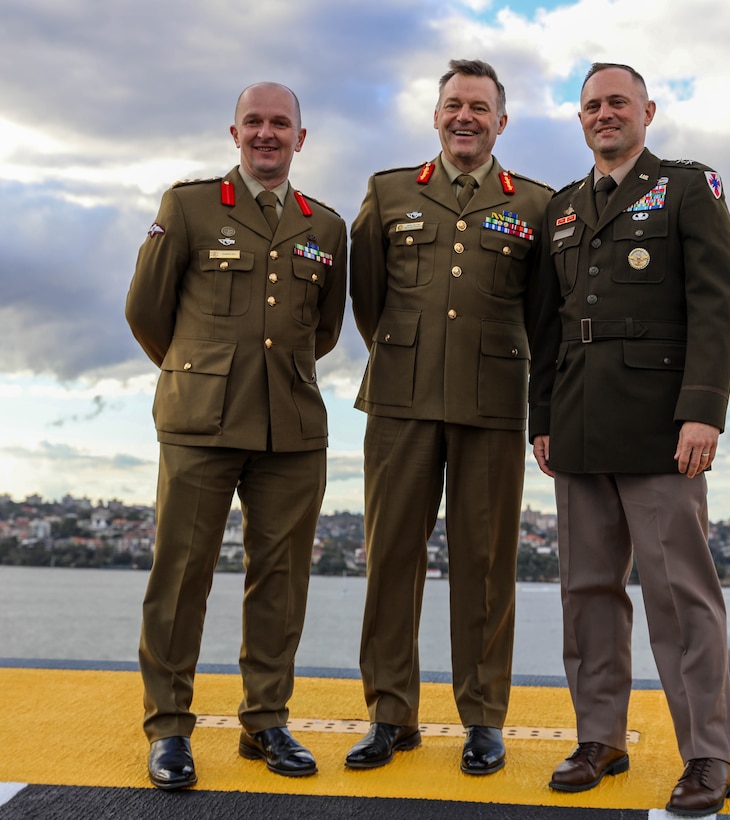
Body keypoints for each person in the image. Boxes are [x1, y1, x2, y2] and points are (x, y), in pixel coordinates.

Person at [528, 63, 730, 817]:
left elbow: (716, 302)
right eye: (591, 106)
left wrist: (703, 410)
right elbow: (548, 326)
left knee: (680, 597)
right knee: (587, 592)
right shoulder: (560, 209)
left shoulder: (687, 187)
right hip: (580, 426)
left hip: (661, 429)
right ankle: (600, 739)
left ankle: (708, 755)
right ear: (578, 119)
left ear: (647, 110)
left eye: (617, 102)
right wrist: (542, 417)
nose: (604, 114)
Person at [125, 82, 347, 790]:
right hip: (200, 424)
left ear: (300, 138)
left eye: (280, 123)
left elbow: (326, 331)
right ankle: (168, 728)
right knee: (181, 576)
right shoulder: (188, 207)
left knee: (281, 580)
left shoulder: (325, 226)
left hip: (292, 425)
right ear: (234, 132)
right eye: (254, 122)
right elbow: (146, 311)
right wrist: (200, 373)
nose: (266, 134)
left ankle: (266, 721)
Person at [346, 59, 552, 775]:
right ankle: (389, 713)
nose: (465, 117)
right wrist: (410, 354)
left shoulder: (535, 204)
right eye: (453, 105)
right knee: (391, 560)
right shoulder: (389, 191)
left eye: (480, 107)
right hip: (400, 401)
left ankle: (484, 718)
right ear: (435, 116)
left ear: (502, 120)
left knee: (486, 567)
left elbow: (541, 313)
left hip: (493, 404)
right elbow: (368, 299)